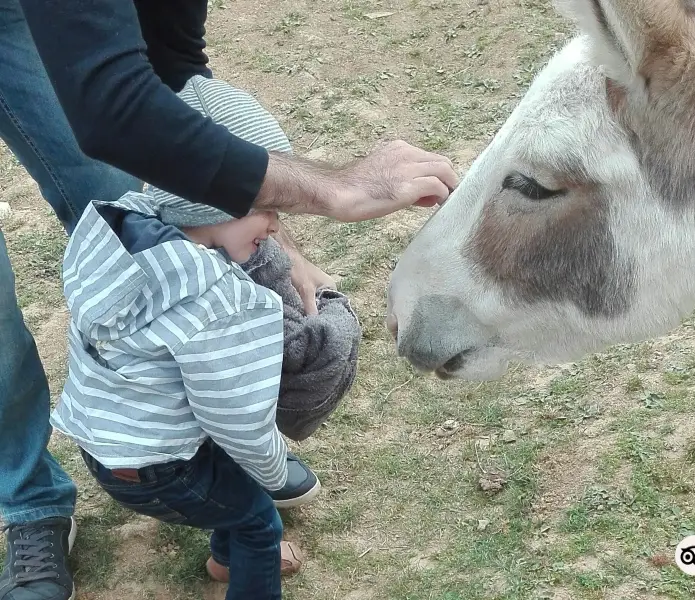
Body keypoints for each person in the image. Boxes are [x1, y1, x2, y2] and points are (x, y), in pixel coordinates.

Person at [1, 1, 458, 599]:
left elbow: (173, 65)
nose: (276, 224)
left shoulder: (114, 233)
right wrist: (266, 468)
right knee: (254, 523)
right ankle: (234, 559)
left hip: (101, 440)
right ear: (215, 204)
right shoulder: (221, 307)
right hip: (162, 469)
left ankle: (216, 530)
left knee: (105, 184)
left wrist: (266, 230)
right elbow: (236, 419)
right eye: (269, 211)